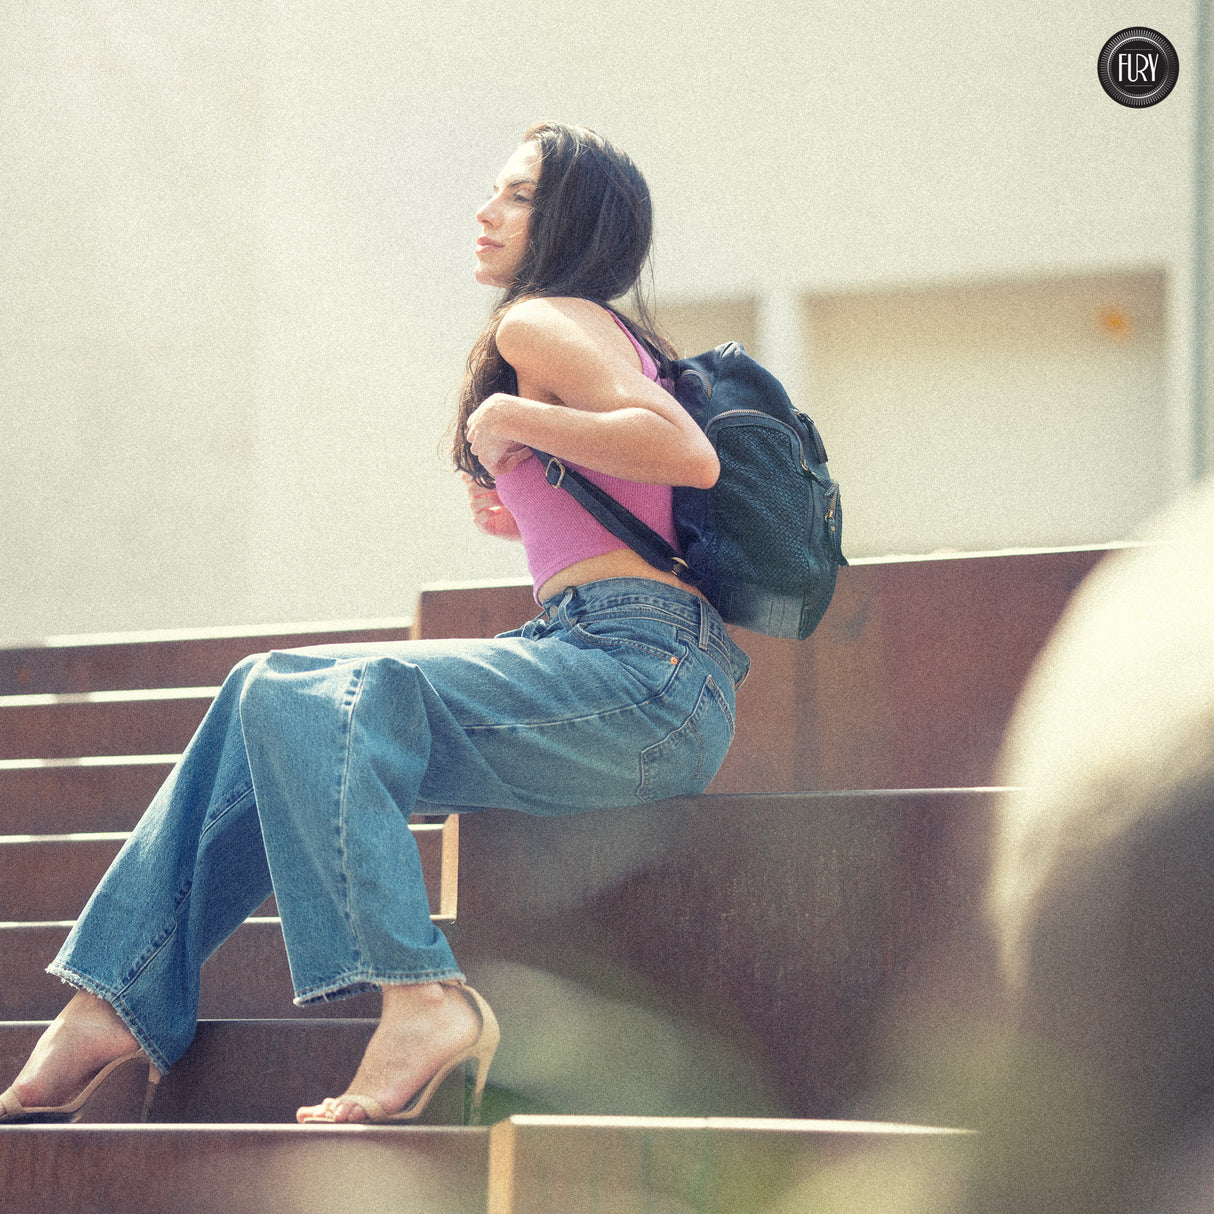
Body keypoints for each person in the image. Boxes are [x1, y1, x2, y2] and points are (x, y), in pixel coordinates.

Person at [0, 120, 750, 1127]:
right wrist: (525, 486)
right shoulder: (597, 336)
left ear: (571, 218)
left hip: (638, 671)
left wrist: (511, 421)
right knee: (263, 689)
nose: (486, 210)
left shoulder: (543, 320)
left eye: (518, 193)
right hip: (626, 668)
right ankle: (114, 994)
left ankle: (418, 992)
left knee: (316, 697)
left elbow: (685, 454)